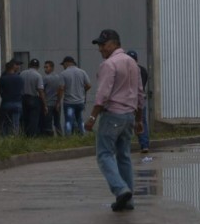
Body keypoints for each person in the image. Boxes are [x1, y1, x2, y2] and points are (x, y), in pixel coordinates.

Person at [86, 29, 144, 212]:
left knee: (104, 155)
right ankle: (128, 201)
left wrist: (92, 117)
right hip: (129, 116)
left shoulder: (109, 64)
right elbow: (140, 94)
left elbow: (102, 95)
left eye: (103, 45)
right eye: (99, 46)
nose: (100, 49)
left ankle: (121, 189)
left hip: (112, 115)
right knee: (124, 156)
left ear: (113, 43)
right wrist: (139, 120)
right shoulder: (132, 63)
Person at [60, 56, 91, 136]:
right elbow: (88, 85)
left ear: (66, 63)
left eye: (63, 64)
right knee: (80, 120)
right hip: (80, 102)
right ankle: (82, 135)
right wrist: (82, 91)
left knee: (68, 121)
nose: (63, 66)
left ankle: (68, 137)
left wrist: (58, 101)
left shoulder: (64, 73)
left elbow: (61, 88)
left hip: (69, 103)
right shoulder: (82, 72)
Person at [127, 50, 150, 153]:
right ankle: (144, 145)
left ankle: (125, 146)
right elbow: (143, 85)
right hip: (141, 99)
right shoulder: (143, 70)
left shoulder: (128, 70)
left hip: (129, 100)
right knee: (142, 122)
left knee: (127, 122)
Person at [20, 59, 48, 137]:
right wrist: (45, 105)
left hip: (23, 98)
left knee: (25, 118)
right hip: (33, 98)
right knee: (34, 119)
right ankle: (31, 136)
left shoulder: (22, 73)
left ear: (29, 65)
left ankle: (24, 134)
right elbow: (40, 91)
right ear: (38, 66)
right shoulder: (38, 75)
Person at [0, 60, 24, 136]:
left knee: (4, 123)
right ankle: (15, 138)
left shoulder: (3, 79)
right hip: (17, 103)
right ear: (13, 67)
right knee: (15, 123)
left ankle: (4, 138)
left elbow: (0, 91)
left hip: (6, 103)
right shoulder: (19, 78)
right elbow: (22, 90)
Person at [42, 60, 63, 136]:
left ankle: (49, 138)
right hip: (57, 103)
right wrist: (58, 102)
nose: (45, 69)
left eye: (47, 67)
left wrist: (44, 104)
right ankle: (60, 137)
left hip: (48, 103)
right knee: (57, 122)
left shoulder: (45, 78)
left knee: (48, 122)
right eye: (44, 67)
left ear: (52, 68)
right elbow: (61, 90)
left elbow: (42, 91)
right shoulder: (59, 77)